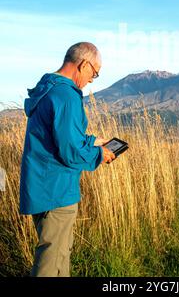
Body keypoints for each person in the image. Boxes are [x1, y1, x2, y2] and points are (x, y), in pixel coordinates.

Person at [19, 42, 115, 277]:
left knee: (59, 255)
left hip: (40, 186)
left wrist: (91, 141)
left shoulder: (48, 88)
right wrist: (100, 155)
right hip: (57, 191)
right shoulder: (67, 95)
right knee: (51, 262)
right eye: (94, 73)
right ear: (83, 64)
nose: (93, 80)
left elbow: (56, 136)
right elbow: (70, 151)